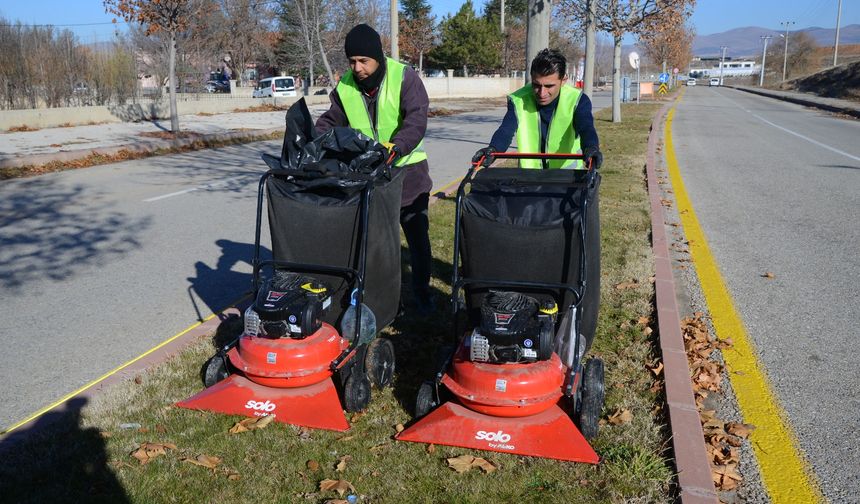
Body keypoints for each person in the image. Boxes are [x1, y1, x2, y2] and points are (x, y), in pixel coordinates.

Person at [315, 24, 434, 316]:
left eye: (363, 61)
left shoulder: (404, 76)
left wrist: (398, 145)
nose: (357, 68)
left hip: (408, 173)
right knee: (380, 245)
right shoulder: (345, 86)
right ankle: (386, 300)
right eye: (352, 61)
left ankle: (422, 294)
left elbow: (417, 117)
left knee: (417, 241)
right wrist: (309, 139)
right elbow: (331, 121)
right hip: (371, 179)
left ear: (378, 57)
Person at [473, 48, 602, 170]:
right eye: (536, 85)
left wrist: (591, 147)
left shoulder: (577, 100)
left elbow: (586, 128)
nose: (542, 93)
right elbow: (505, 130)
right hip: (530, 177)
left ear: (563, 80)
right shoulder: (518, 100)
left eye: (549, 86)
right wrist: (493, 149)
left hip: (566, 176)